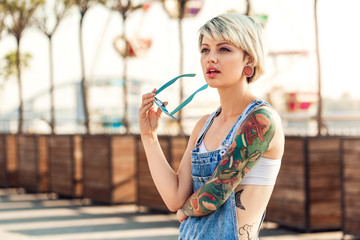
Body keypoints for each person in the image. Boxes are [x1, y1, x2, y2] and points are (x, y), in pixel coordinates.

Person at [139, 12, 284, 240]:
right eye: (205, 50)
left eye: (224, 49)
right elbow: (174, 197)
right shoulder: (203, 126)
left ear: (249, 59)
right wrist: (149, 136)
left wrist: (185, 211)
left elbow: (216, 193)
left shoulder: (261, 120)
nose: (211, 58)